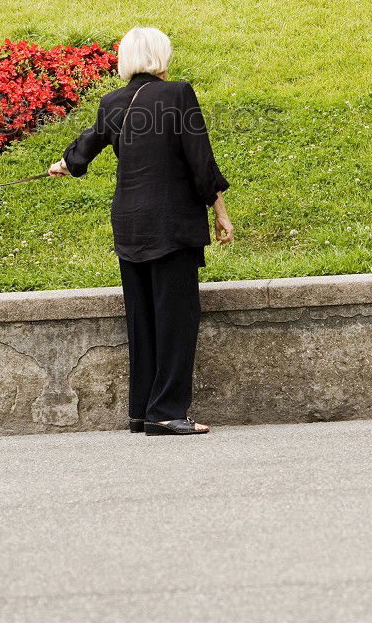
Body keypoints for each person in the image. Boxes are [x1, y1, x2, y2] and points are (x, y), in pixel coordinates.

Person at [48, 26, 233, 436]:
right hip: (171, 225)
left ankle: (142, 411)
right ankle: (166, 411)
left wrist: (65, 163)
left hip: (129, 224)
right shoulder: (178, 94)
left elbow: (87, 146)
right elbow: (200, 161)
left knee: (143, 319)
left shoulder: (112, 101)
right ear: (160, 57)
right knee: (176, 318)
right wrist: (220, 210)